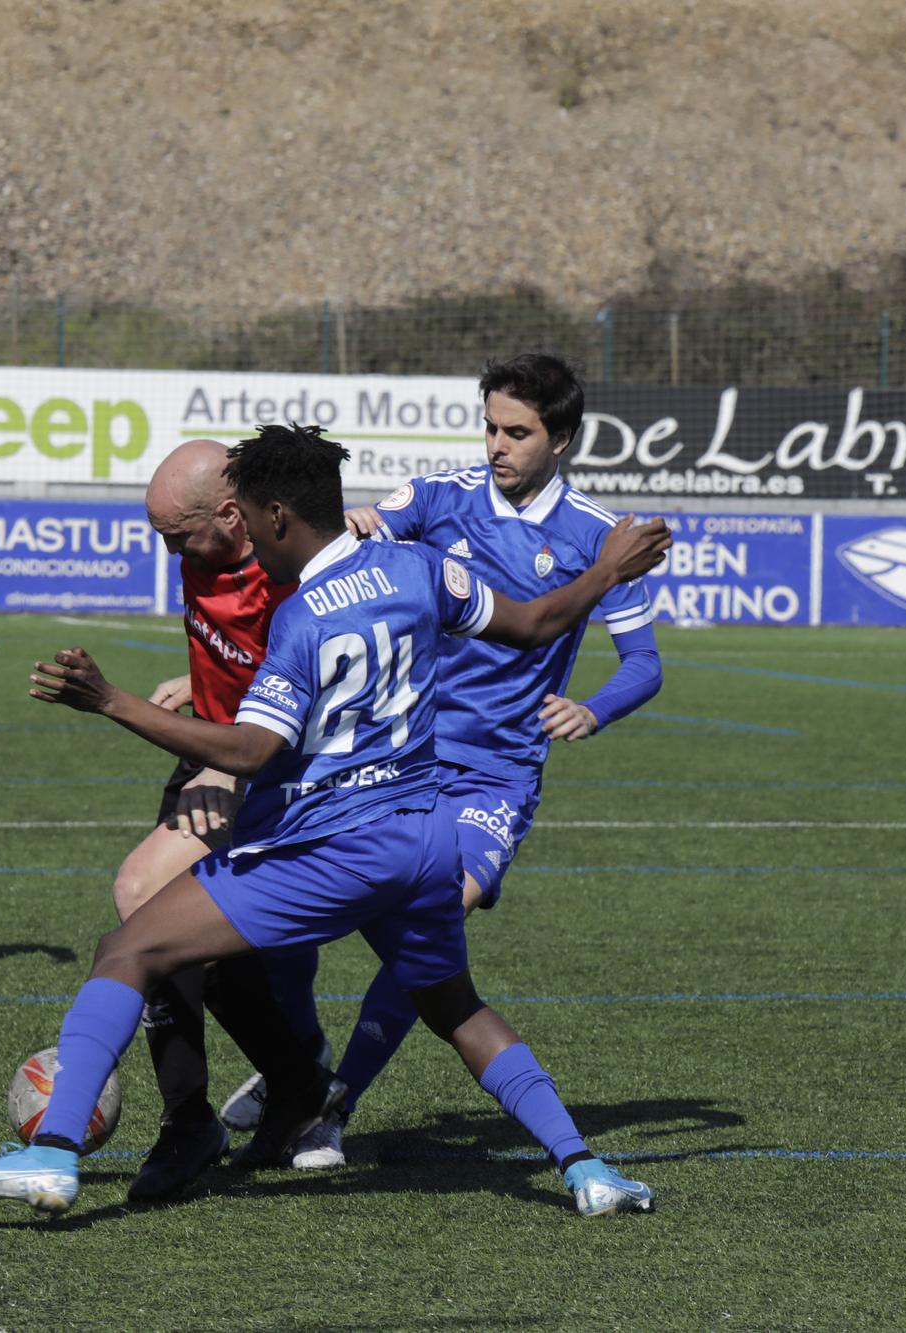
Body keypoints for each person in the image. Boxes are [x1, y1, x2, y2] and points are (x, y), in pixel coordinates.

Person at [0, 424, 671, 1219]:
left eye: (246, 516)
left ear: (279, 516)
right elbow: (534, 624)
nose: (239, 531)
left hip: (330, 848)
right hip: (424, 843)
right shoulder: (420, 567)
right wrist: (604, 571)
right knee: (454, 1005)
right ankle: (586, 1167)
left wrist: (113, 701)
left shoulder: (303, 616)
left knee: (129, 944)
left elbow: (250, 749)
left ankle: (52, 1154)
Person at [242, 352, 661, 1170]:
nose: (498, 444)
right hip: (404, 757)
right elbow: (361, 530)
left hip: (497, 774)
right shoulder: (440, 497)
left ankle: (332, 1103)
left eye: (518, 431)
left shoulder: (596, 534)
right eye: (491, 427)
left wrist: (592, 706)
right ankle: (291, 1065)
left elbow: (642, 662)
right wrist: (358, 520)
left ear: (563, 438)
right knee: (295, 893)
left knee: (434, 924)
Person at [108, 437, 329, 1202]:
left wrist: (229, 760)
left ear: (234, 517)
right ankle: (298, 1083)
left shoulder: (289, 573)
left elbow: (295, 686)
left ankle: (190, 1120)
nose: (168, 550)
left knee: (141, 895)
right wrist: (195, 679)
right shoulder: (201, 553)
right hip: (210, 746)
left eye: (177, 534)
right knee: (204, 946)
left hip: (258, 764)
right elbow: (234, 650)